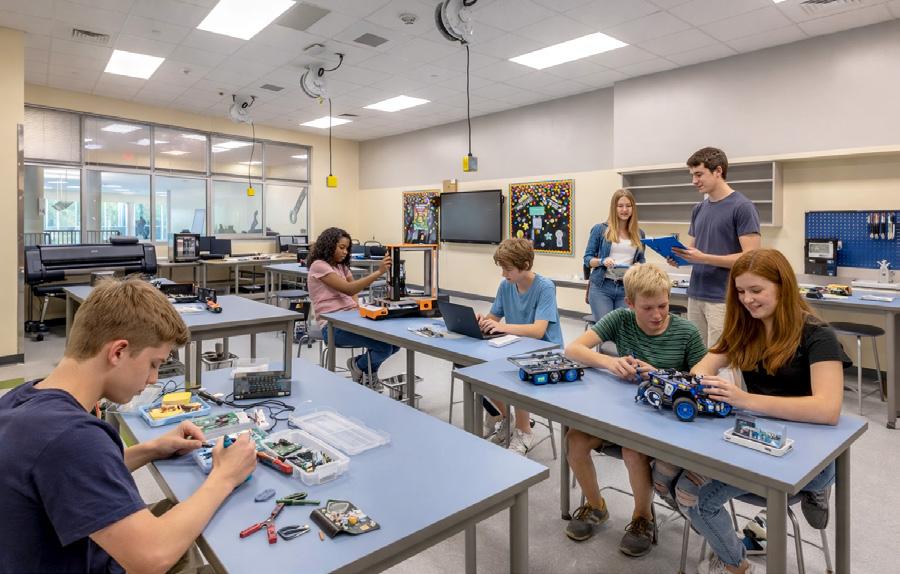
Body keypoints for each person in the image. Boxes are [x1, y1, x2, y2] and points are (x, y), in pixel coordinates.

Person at [0, 278, 258, 574]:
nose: (153, 379)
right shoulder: (72, 437)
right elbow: (152, 557)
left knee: (178, 514)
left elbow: (71, 476)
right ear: (118, 352)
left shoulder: (23, 398)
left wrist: (151, 449)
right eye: (154, 364)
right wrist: (225, 476)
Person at [653, 249, 845, 574]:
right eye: (741, 291)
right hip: (757, 441)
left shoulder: (818, 335)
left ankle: (736, 566)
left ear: (783, 286)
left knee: (693, 495)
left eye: (756, 290)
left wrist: (743, 399)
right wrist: (700, 382)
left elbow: (827, 410)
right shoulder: (746, 328)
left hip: (809, 456)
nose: (747, 300)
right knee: (664, 472)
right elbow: (704, 366)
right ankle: (731, 548)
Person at [564, 263, 707, 556]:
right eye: (647, 308)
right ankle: (596, 506)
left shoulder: (687, 332)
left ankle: (643, 518)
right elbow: (573, 349)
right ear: (630, 304)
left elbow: (702, 383)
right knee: (575, 440)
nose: (657, 315)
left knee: (633, 450)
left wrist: (659, 375)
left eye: (663, 306)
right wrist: (610, 362)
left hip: (660, 422)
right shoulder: (620, 319)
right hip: (621, 414)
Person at [477, 238, 564, 455]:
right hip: (515, 346)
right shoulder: (506, 286)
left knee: (516, 372)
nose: (503, 274)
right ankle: (507, 419)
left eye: (508, 269)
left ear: (525, 265)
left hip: (545, 352)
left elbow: (538, 331)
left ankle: (524, 431)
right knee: (473, 367)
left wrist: (502, 327)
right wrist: (482, 322)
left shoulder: (545, 287)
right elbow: (494, 317)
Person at [670, 147, 761, 347]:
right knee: (697, 355)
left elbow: (751, 259)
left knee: (720, 359)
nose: (694, 181)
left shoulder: (742, 207)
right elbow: (693, 252)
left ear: (718, 171)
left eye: (699, 174)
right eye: (692, 175)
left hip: (723, 298)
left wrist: (704, 258)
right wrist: (678, 257)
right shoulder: (698, 209)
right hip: (695, 294)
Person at [307, 227, 399, 384]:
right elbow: (350, 289)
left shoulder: (341, 266)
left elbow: (353, 291)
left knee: (395, 343)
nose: (345, 252)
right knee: (384, 347)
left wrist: (357, 308)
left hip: (351, 319)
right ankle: (359, 366)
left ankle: (365, 371)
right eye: (341, 247)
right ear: (329, 246)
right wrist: (379, 272)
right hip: (332, 327)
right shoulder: (319, 265)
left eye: (347, 249)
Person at [583, 189, 646, 322]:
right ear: (614, 208)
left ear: (633, 208)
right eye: (620, 206)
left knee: (622, 329)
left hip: (626, 288)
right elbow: (587, 259)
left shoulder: (639, 233)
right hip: (602, 287)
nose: (624, 210)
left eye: (628, 206)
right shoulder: (600, 229)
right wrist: (602, 261)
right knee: (606, 328)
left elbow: (641, 259)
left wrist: (639, 266)